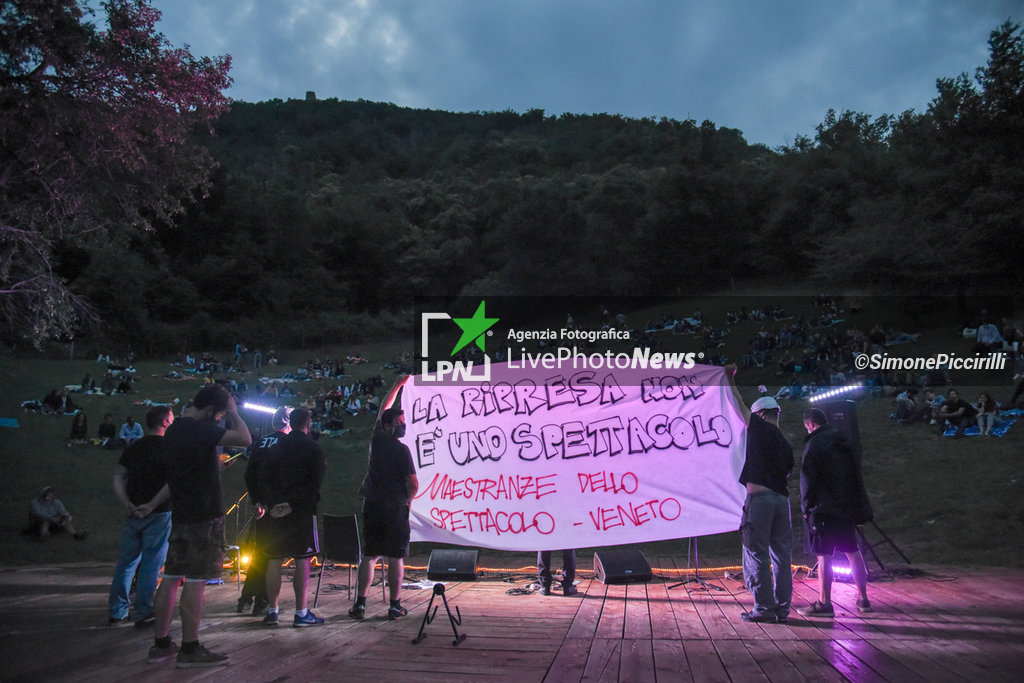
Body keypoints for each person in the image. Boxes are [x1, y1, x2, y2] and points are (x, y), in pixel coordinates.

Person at [147, 385, 251, 668]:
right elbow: (245, 438)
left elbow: (188, 467)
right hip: (204, 516)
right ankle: (190, 649)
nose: (219, 420)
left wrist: (213, 465)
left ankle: (161, 643)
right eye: (218, 415)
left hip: (181, 514)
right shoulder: (199, 429)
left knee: (170, 578)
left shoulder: (175, 430)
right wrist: (234, 411)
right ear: (209, 410)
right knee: (195, 581)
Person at [726, 366, 794, 624]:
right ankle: (782, 609)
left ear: (760, 415)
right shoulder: (785, 444)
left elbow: (737, 405)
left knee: (756, 553)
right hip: (781, 502)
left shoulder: (760, 428)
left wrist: (729, 378)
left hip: (760, 502)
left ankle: (764, 608)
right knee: (781, 557)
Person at [797, 408, 873, 616]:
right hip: (844, 507)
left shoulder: (813, 444)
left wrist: (806, 507)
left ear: (810, 424)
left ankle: (824, 603)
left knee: (824, 557)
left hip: (822, 509)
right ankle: (863, 599)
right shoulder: (843, 442)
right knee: (853, 552)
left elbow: (807, 479)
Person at [348, 406, 418, 621]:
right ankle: (395, 606)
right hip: (395, 507)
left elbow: (382, 409)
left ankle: (360, 604)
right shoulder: (402, 450)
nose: (402, 425)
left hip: (373, 505)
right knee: (395, 557)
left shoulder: (377, 442)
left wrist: (396, 385)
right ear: (387, 426)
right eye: (399, 422)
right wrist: (409, 501)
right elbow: (413, 483)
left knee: (369, 556)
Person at [259, 408, 326, 627]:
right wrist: (293, 505)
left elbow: (265, 478)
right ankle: (301, 612)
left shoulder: (277, 448)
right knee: (302, 560)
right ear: (308, 424)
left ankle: (272, 611)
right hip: (300, 512)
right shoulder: (313, 448)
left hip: (276, 511)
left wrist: (273, 504)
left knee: (273, 559)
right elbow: (314, 484)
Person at [108, 406, 174, 627]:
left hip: (133, 513)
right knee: (151, 564)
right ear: (164, 422)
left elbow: (118, 476)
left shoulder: (135, 447)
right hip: (159, 512)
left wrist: (127, 503)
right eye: (172, 419)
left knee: (126, 563)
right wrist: (152, 504)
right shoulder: (169, 448)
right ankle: (143, 611)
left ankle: (117, 611)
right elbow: (172, 482)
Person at [238, 406, 292, 616]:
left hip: (261, 505)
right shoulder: (288, 443)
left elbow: (249, 474)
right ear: (288, 422)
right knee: (272, 557)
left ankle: (246, 598)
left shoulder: (262, 442)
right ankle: (263, 600)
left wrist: (256, 501)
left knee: (260, 553)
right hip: (279, 507)